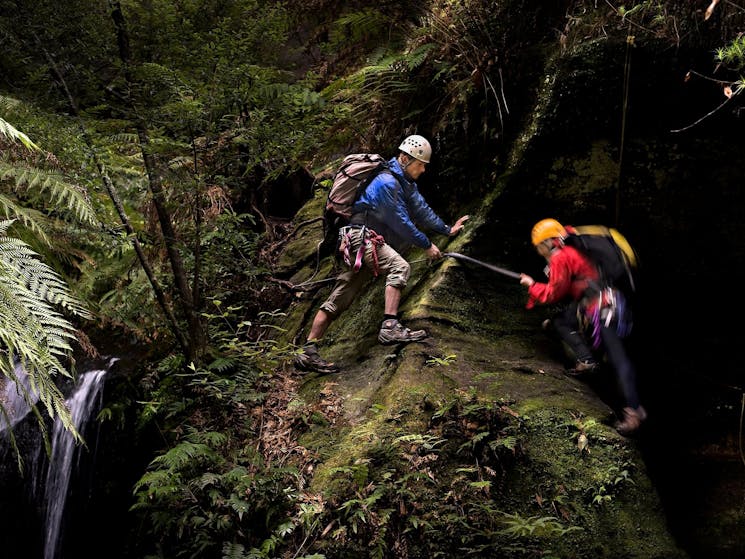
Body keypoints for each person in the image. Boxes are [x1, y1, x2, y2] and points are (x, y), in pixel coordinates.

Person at [295, 134, 469, 374]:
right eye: (421, 165)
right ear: (405, 159)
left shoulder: (403, 183)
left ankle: (307, 351)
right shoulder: (387, 183)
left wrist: (447, 229)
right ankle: (390, 325)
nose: (423, 170)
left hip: (356, 240)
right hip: (361, 238)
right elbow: (401, 221)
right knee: (400, 268)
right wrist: (427, 244)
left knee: (342, 296)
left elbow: (421, 209)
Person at [518, 218, 646, 436]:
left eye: (539, 246)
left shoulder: (561, 256)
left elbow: (553, 293)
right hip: (604, 303)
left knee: (618, 359)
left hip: (603, 308)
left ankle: (634, 411)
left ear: (548, 242)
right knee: (560, 321)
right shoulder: (570, 250)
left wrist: (531, 285)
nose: (539, 251)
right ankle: (587, 360)